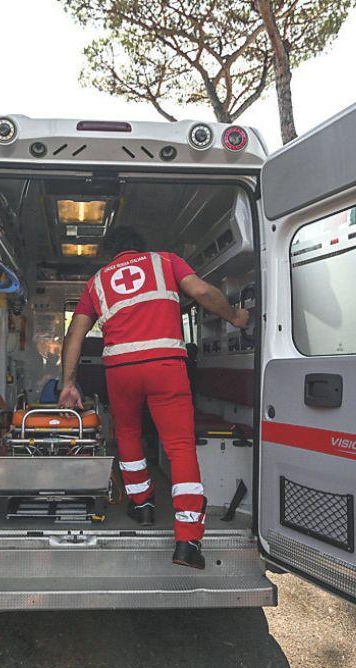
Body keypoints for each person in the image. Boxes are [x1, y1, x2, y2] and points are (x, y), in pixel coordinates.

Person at [59, 227, 249, 570]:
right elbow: (203, 292)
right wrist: (236, 317)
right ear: (140, 248)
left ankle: (142, 506)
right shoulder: (166, 262)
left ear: (112, 254)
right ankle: (188, 540)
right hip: (166, 365)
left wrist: (68, 382)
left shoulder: (98, 281)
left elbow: (76, 332)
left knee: (128, 434)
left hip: (120, 371)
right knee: (179, 446)